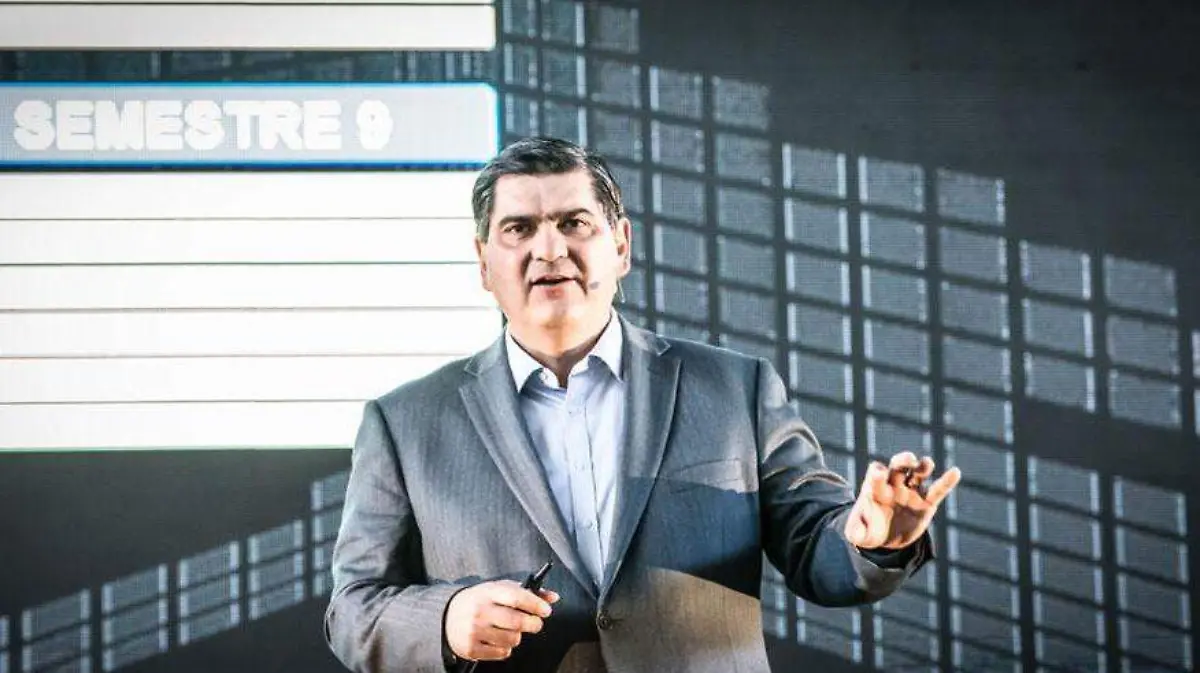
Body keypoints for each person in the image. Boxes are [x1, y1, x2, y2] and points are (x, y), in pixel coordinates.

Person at [324, 136, 961, 673]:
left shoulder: (736, 389)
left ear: (621, 245)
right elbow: (352, 611)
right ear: (484, 262)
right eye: (519, 229)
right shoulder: (403, 423)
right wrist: (444, 618)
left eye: (574, 223)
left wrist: (873, 540)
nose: (549, 250)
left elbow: (816, 549)